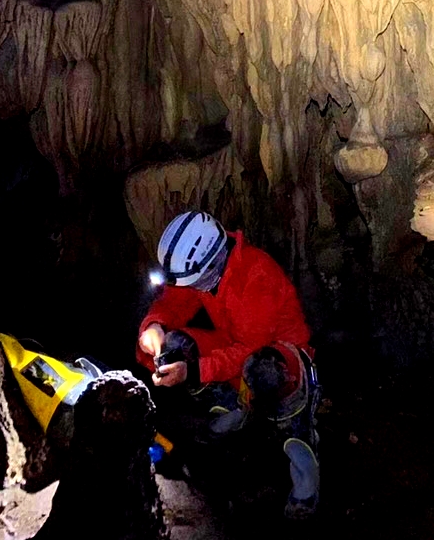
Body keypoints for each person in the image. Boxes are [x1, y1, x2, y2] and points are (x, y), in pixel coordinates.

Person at [136, 210, 319, 518]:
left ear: (212, 262)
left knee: (263, 371)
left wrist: (194, 372)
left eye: (197, 280)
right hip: (236, 348)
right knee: (176, 346)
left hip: (282, 360)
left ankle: (303, 454)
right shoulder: (209, 270)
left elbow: (250, 350)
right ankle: (236, 409)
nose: (195, 287)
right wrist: (154, 326)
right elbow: (172, 302)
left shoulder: (256, 276)